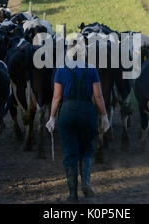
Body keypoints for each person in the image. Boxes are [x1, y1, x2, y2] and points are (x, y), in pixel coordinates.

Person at [46, 52, 110, 202]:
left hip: (67, 112)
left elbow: (56, 97)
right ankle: (86, 183)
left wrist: (52, 117)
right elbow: (98, 96)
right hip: (88, 112)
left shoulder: (61, 70)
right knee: (87, 148)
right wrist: (105, 115)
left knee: (70, 153)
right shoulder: (92, 69)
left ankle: (72, 194)